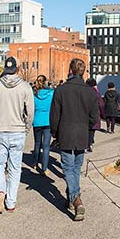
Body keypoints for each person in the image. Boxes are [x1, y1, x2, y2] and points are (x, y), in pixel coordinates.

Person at [50, 59, 98, 221]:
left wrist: (55, 133)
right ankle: (72, 197)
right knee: (76, 168)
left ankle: (76, 200)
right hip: (82, 134)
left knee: (68, 168)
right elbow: (94, 118)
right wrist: (87, 129)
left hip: (65, 132)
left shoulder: (61, 90)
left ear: (70, 70)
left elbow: (55, 115)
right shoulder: (90, 92)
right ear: (83, 72)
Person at [0, 57, 34, 213]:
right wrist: (26, 128)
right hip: (18, 130)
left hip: (0, 129)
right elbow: (30, 112)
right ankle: (11, 202)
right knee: (15, 167)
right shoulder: (26, 87)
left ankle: (0, 190)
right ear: (17, 68)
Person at [32, 75, 54, 176]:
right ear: (45, 82)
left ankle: (35, 163)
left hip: (37, 120)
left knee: (37, 143)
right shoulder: (51, 93)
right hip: (48, 121)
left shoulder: (34, 94)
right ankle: (44, 168)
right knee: (46, 146)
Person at [85, 78, 105, 152]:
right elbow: (101, 105)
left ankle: (86, 144)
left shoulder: (83, 92)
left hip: (84, 115)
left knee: (86, 130)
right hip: (94, 115)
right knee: (91, 131)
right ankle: (89, 145)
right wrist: (103, 115)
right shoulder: (96, 93)